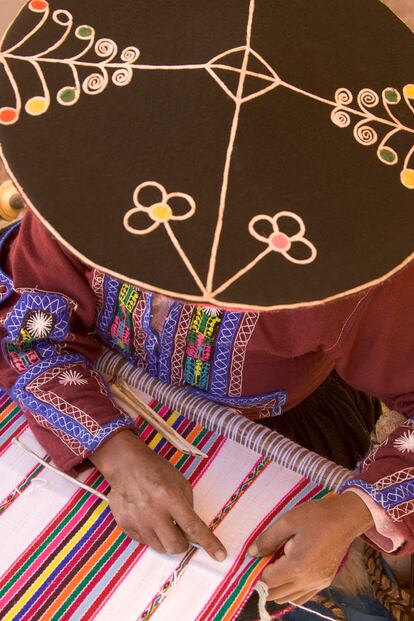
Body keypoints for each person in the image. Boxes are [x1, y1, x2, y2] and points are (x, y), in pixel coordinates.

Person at [0, 0, 413, 611]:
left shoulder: (360, 274)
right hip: (100, 391)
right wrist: (115, 452)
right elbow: (32, 325)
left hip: (270, 432)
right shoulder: (89, 199)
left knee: (278, 586)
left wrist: (350, 512)